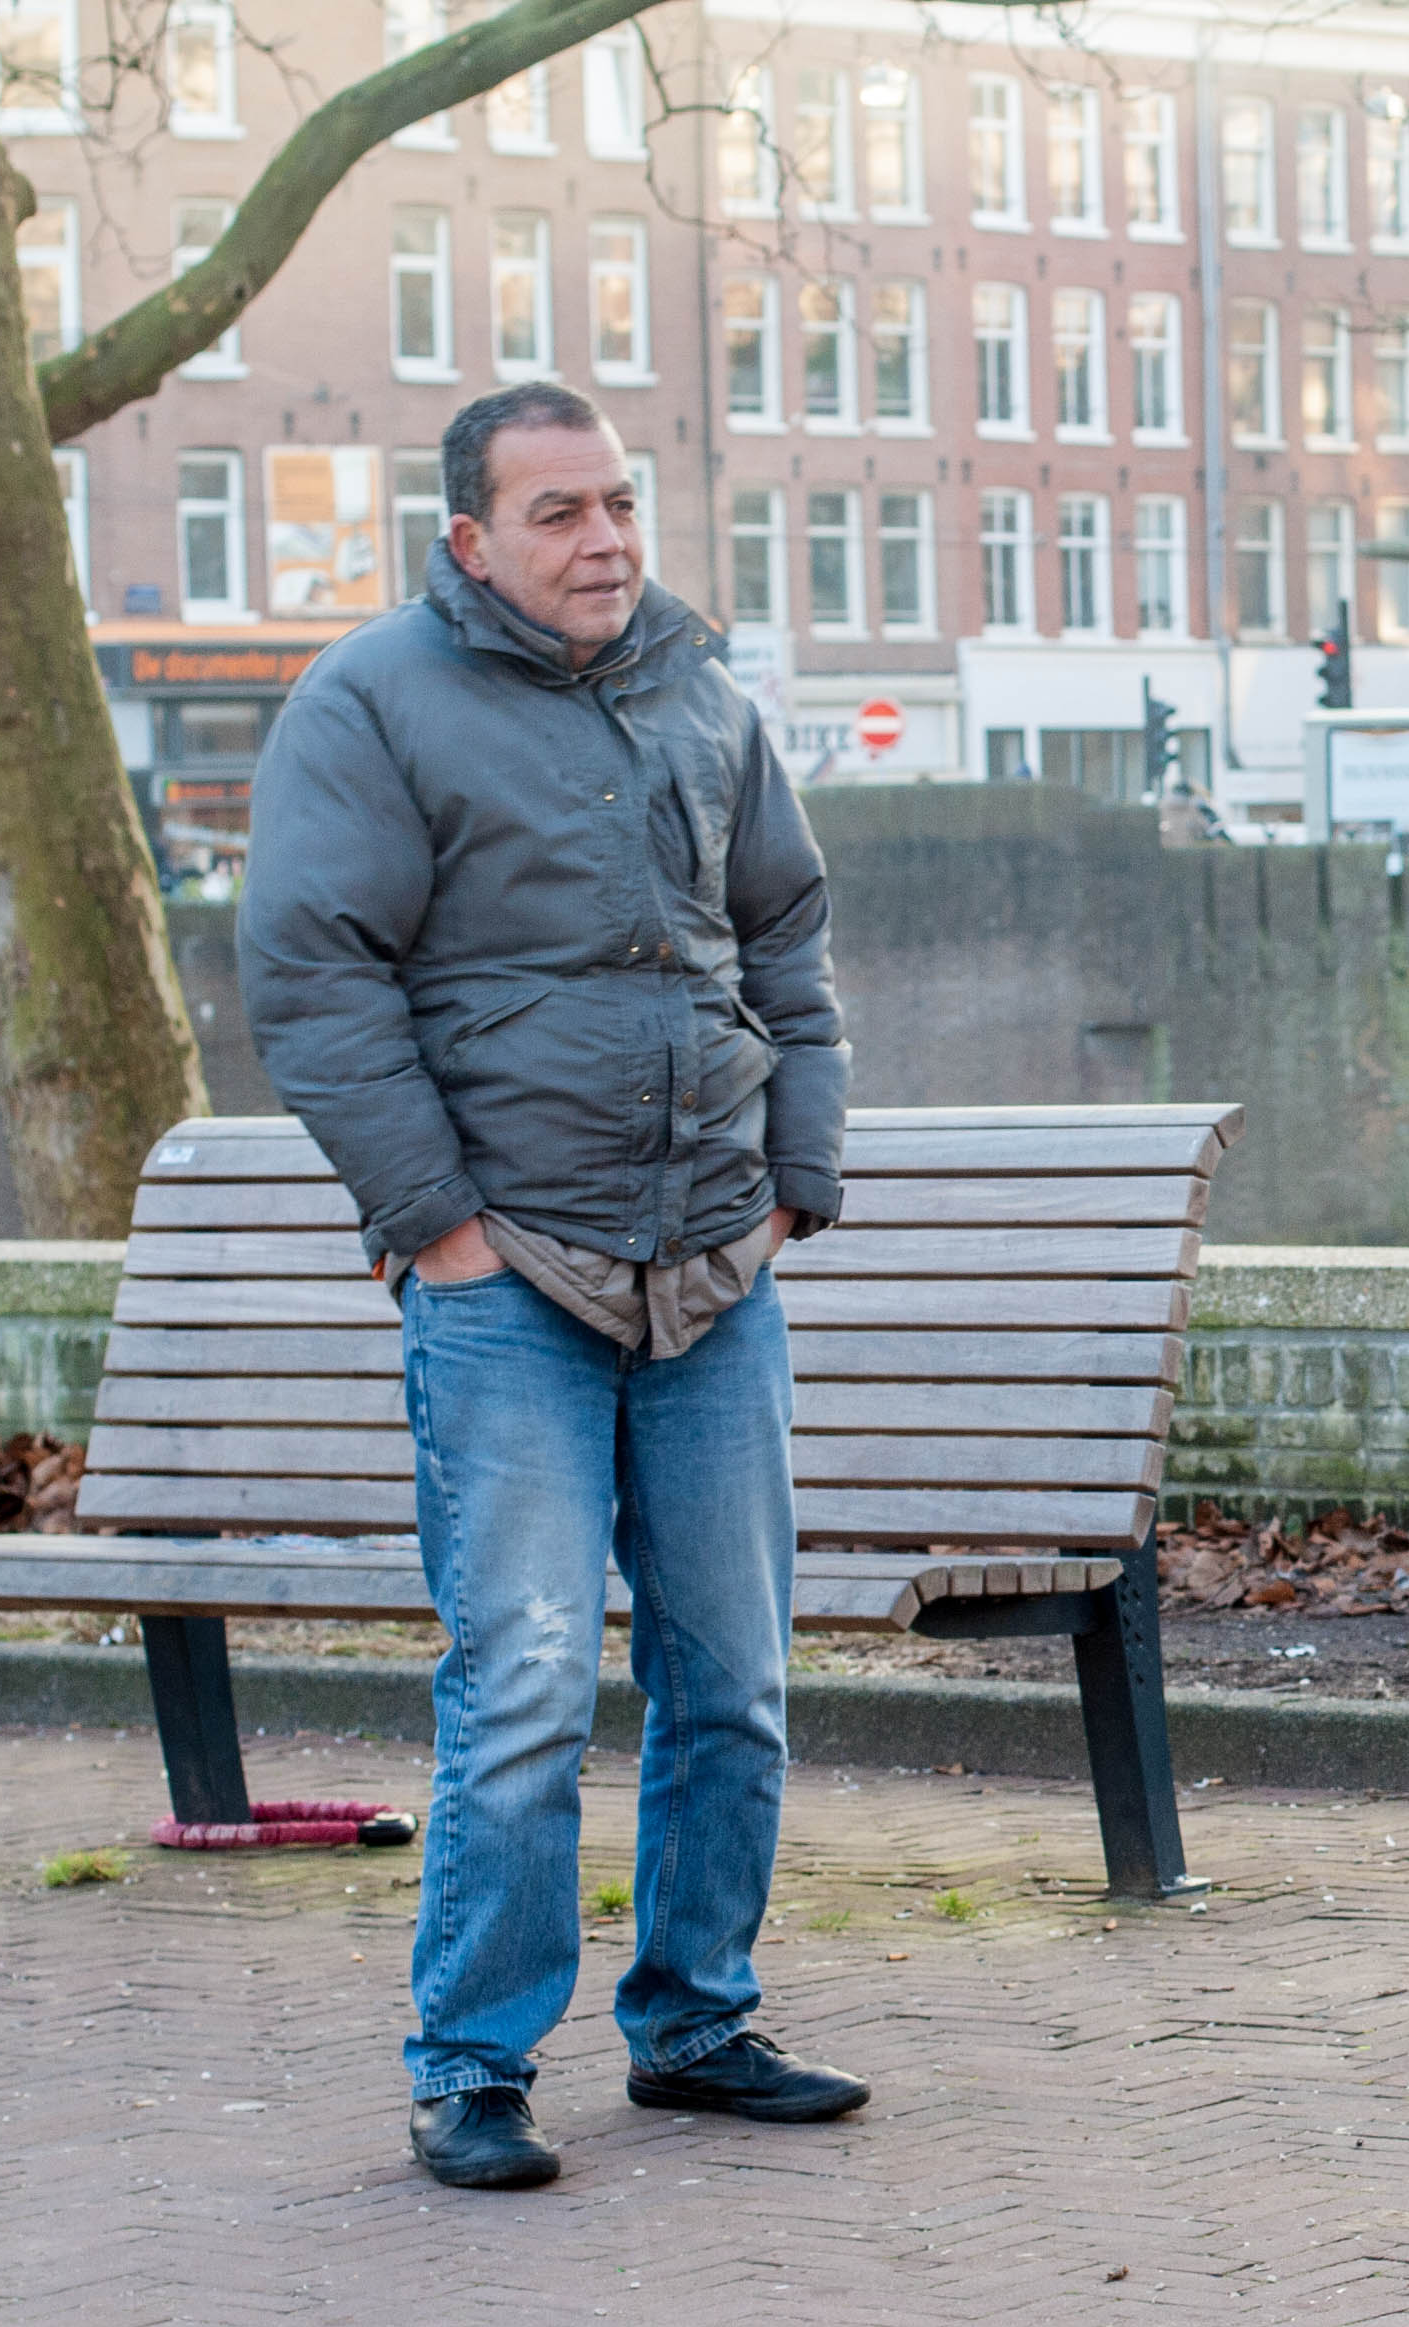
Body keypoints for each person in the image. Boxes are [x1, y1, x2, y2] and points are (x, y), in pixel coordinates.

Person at [242, 382, 868, 2193]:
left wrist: (797, 1183)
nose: (604, 541)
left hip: (715, 1264)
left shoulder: (701, 692)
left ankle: (696, 2024)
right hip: (509, 1270)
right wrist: (434, 1220)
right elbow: (313, 973)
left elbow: (784, 937)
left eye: (618, 505)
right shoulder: (371, 700)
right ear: (470, 539)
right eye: (558, 513)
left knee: (734, 1678)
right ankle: (473, 2066)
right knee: (520, 1686)